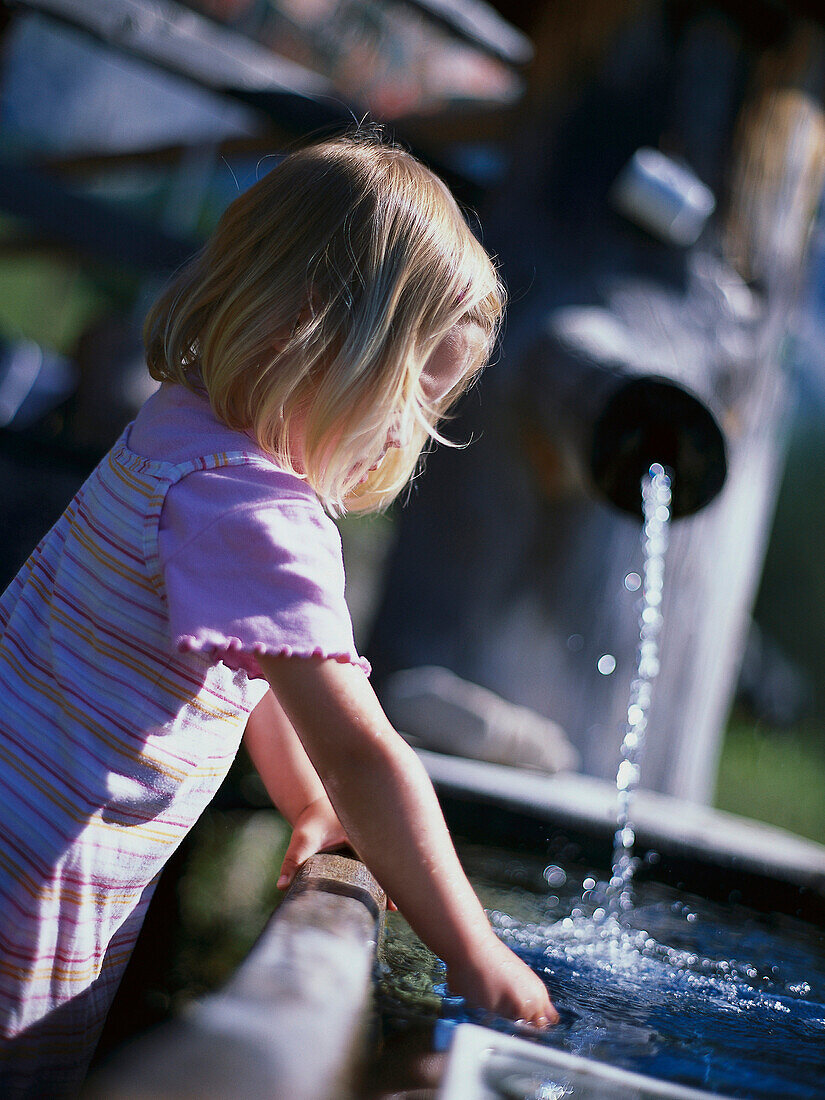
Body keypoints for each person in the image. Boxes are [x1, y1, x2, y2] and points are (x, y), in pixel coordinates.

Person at [0, 132, 557, 1095]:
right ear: (311, 332)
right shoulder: (257, 510)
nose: (400, 437)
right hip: (30, 891)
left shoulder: (177, 427)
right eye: (404, 400)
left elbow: (250, 672)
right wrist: (473, 952)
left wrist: (305, 803)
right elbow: (363, 750)